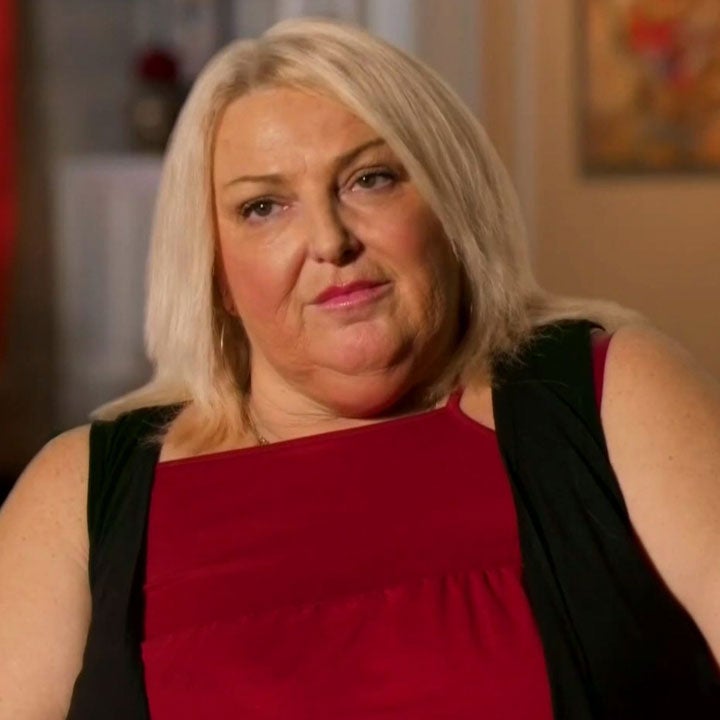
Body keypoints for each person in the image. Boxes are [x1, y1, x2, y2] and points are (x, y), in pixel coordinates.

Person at [0, 17, 718, 720]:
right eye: (263, 207)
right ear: (214, 270)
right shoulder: (76, 495)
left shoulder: (610, 397)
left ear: (451, 205)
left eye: (369, 179)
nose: (329, 239)